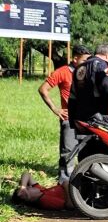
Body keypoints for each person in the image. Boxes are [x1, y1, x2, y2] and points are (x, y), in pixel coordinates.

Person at [38, 45, 91, 183]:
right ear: (75, 59)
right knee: (68, 152)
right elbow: (43, 89)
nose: (87, 62)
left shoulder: (89, 72)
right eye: (85, 59)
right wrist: (55, 109)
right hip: (70, 119)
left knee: (86, 152)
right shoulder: (62, 72)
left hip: (87, 120)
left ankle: (83, 180)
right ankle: (65, 182)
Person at [69, 42, 108, 127]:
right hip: (97, 118)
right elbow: (107, 87)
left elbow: (72, 97)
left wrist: (72, 121)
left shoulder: (78, 68)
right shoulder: (101, 65)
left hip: (80, 117)